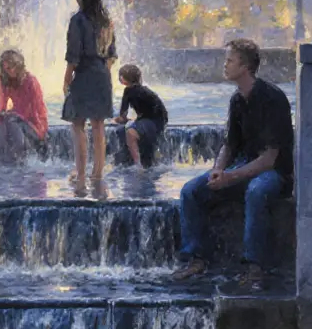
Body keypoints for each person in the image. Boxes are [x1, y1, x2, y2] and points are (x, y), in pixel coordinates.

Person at [173, 39, 294, 291]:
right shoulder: (237, 100)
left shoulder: (273, 98)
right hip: (243, 166)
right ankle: (195, 259)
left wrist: (231, 177)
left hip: (274, 172)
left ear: (245, 66)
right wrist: (218, 169)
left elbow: (270, 159)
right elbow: (229, 144)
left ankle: (254, 267)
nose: (224, 65)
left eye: (229, 60)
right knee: (191, 190)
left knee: (256, 192)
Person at [62, 0, 117, 191]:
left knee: (78, 124)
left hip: (84, 74)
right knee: (98, 125)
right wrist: (103, 73)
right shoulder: (107, 22)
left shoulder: (78, 20)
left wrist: (67, 79)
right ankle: (98, 173)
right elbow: (111, 55)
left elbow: (73, 54)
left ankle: (81, 173)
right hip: (102, 75)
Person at [0, 49, 48, 164]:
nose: (10, 71)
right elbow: (2, 105)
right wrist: (1, 115)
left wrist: (40, 132)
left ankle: (17, 159)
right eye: (7, 68)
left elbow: (38, 111)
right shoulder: (3, 81)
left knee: (11, 119)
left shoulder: (31, 81)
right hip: (15, 122)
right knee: (6, 121)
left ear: (19, 66)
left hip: (34, 124)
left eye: (13, 67)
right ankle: (7, 162)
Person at [114, 64, 168, 169]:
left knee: (130, 133)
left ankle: (138, 165)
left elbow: (123, 118)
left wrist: (116, 119)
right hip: (160, 121)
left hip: (151, 121)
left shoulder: (128, 91)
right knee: (127, 130)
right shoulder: (144, 89)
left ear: (123, 79)